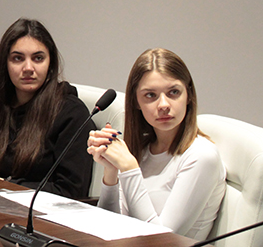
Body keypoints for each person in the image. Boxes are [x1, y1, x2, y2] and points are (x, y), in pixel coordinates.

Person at [87, 48, 225, 240]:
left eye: (174, 92)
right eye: (151, 95)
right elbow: (108, 228)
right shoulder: (142, 149)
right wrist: (111, 173)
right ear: (136, 101)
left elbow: (161, 240)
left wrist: (129, 168)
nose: (163, 105)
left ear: (189, 95)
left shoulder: (202, 156)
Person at [0, 18, 93, 199]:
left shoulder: (72, 114)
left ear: (50, 64)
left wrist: (7, 186)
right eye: (18, 58)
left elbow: (71, 191)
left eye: (38, 58)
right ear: (5, 64)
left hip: (43, 212)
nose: (28, 68)